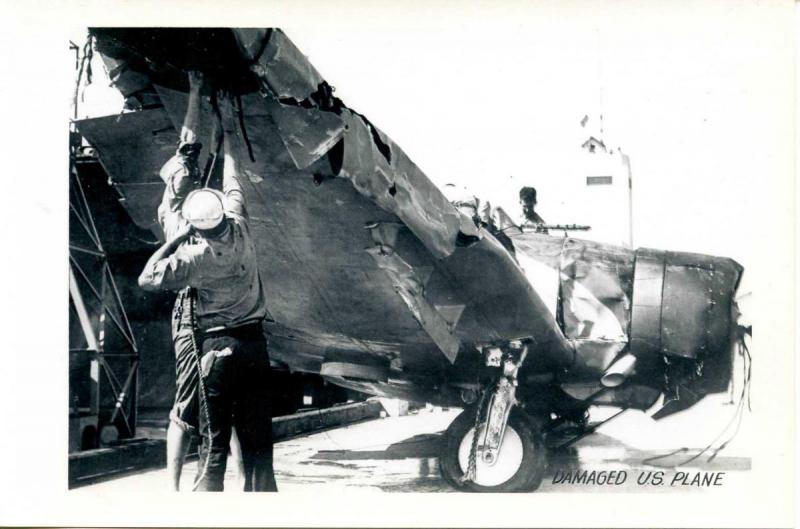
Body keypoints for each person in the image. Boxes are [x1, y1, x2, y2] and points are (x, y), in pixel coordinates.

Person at [143, 77, 273, 491]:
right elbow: (218, 171)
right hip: (219, 324)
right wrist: (226, 127)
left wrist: (198, 96)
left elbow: (188, 144)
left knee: (199, 409)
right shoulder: (235, 227)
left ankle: (186, 488)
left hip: (200, 318)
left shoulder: (185, 233)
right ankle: (214, 486)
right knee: (208, 410)